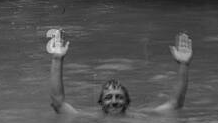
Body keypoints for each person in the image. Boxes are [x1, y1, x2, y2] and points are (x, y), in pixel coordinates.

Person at [47, 28, 192, 116]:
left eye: (119, 97)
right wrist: (57, 59)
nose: (114, 101)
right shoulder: (89, 119)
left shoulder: (140, 118)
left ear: (127, 102)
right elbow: (58, 104)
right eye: (109, 97)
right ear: (101, 103)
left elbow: (175, 104)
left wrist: (184, 64)